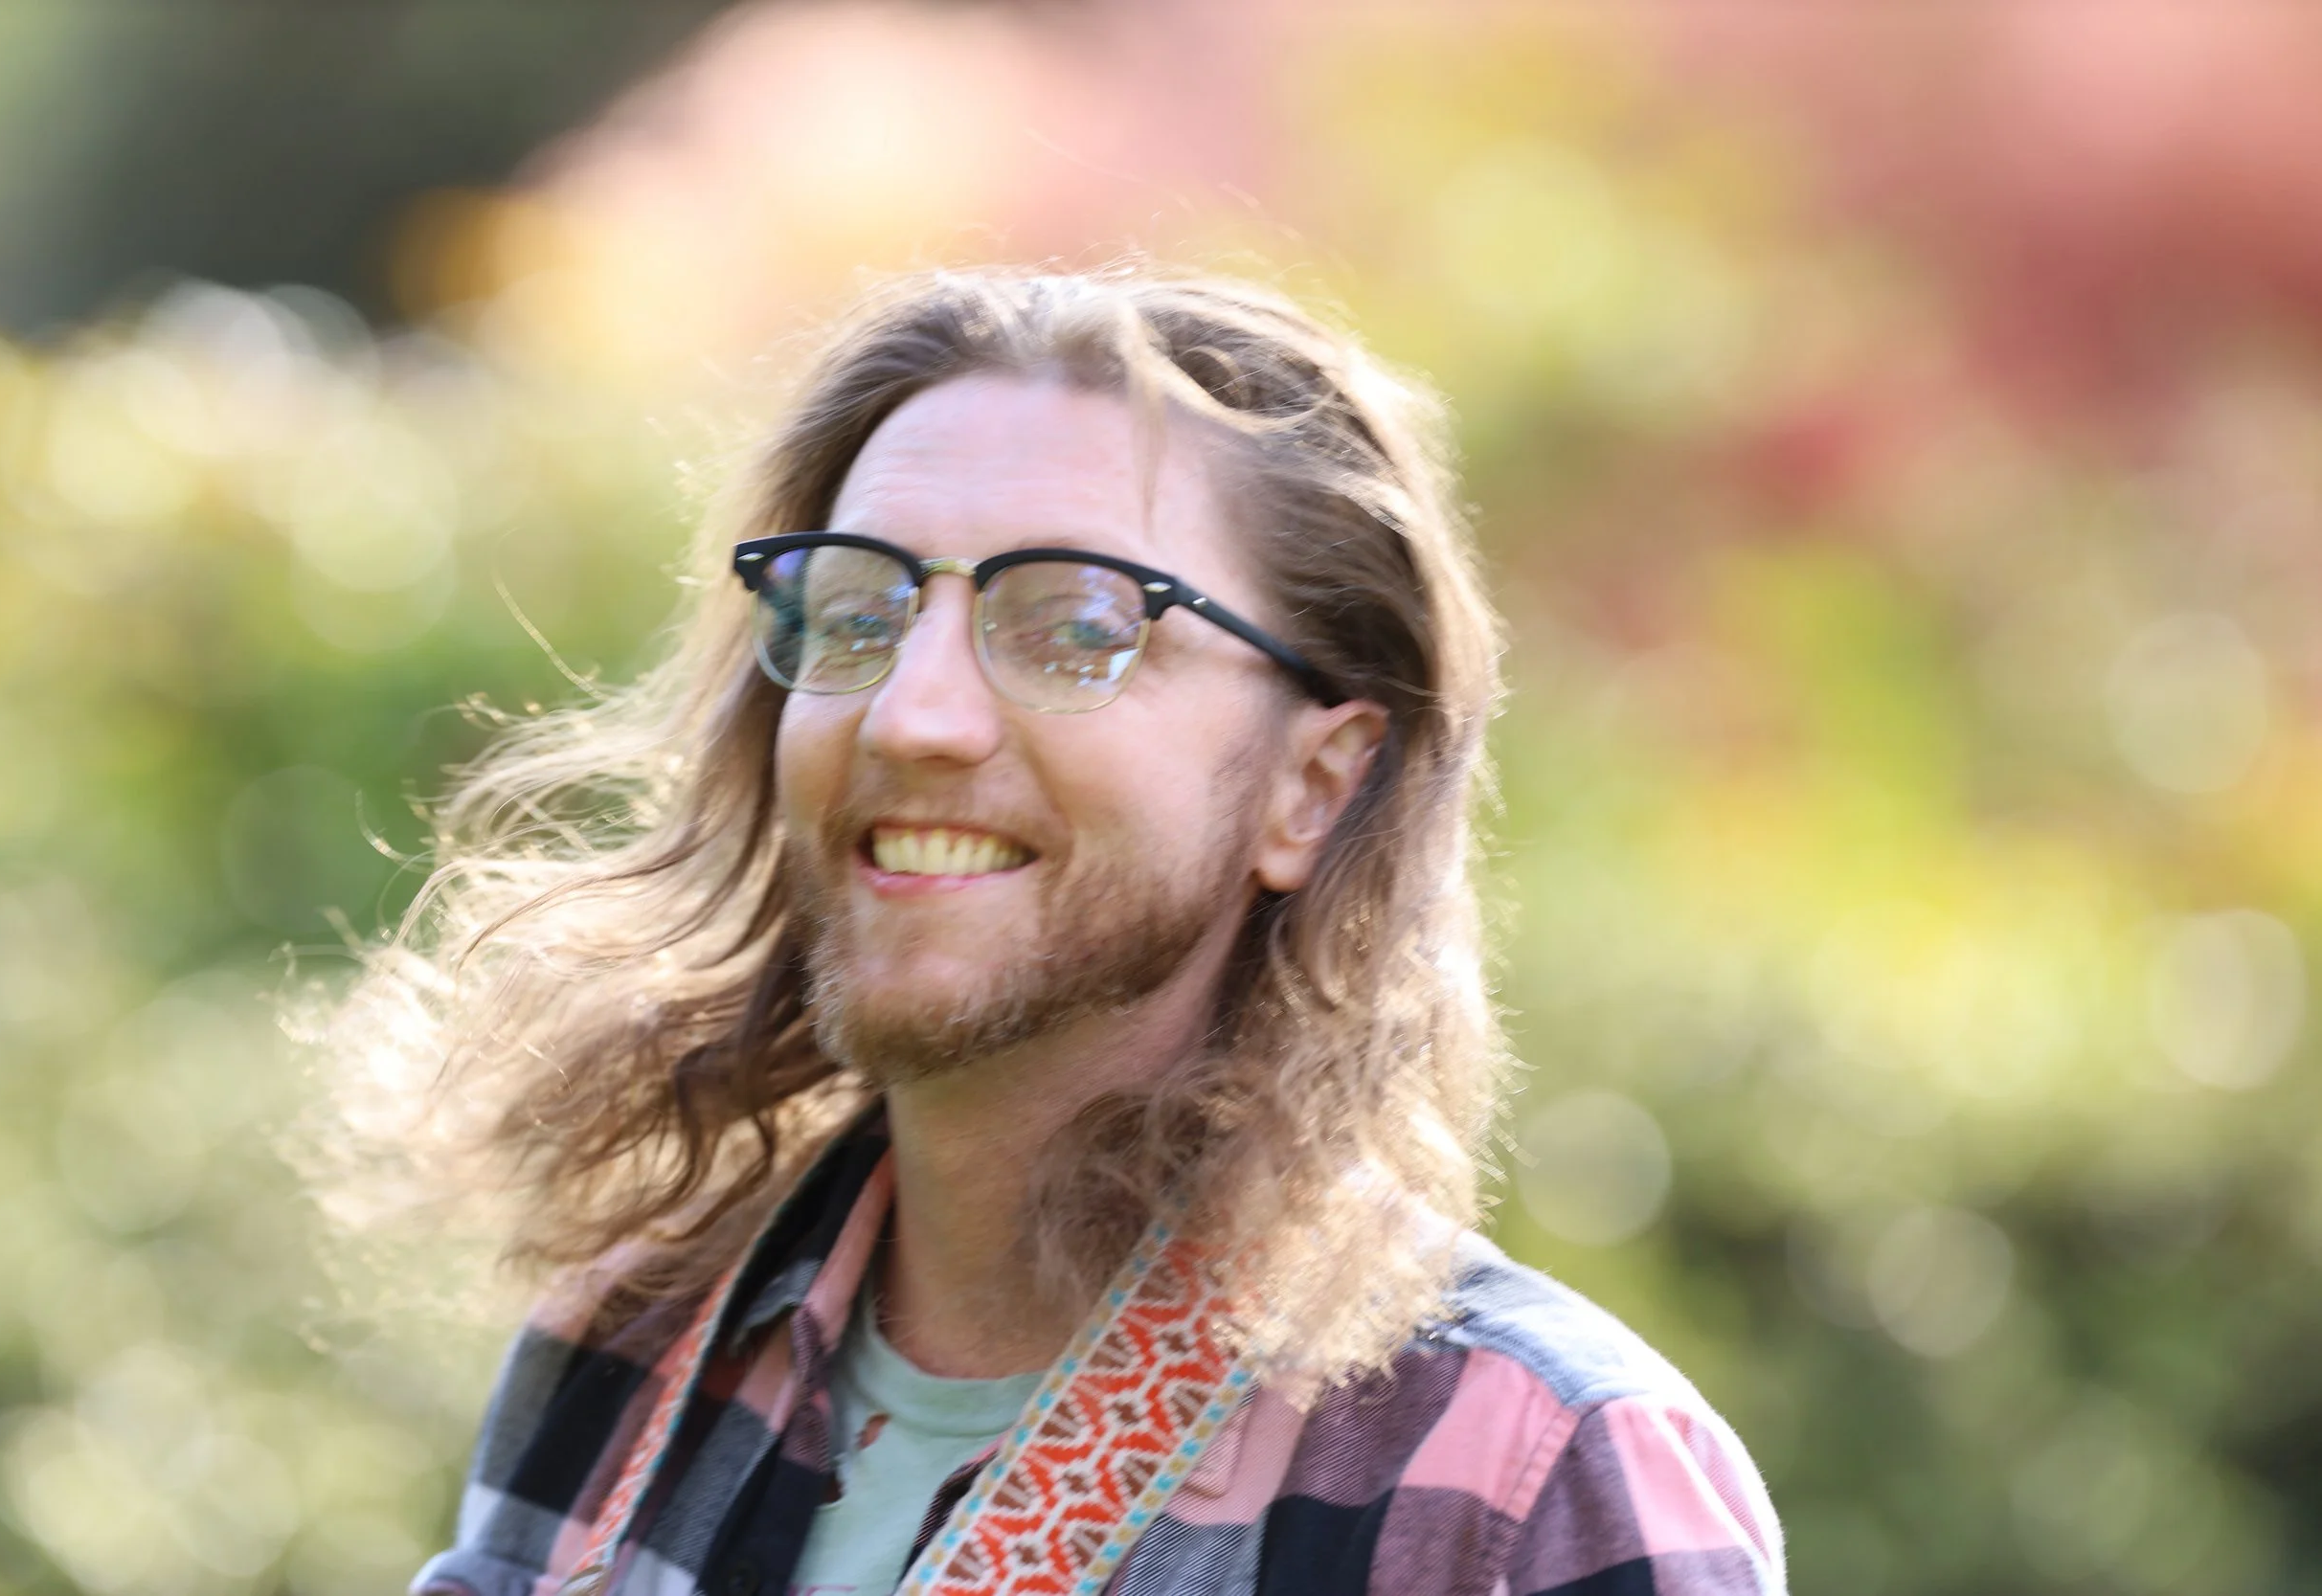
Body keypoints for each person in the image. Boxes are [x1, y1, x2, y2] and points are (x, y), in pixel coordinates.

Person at [332, 266, 1785, 1596]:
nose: (912, 712)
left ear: (1312, 783)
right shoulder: (636, 1346)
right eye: (857, 611)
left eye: (1080, 624)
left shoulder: (1528, 1487)